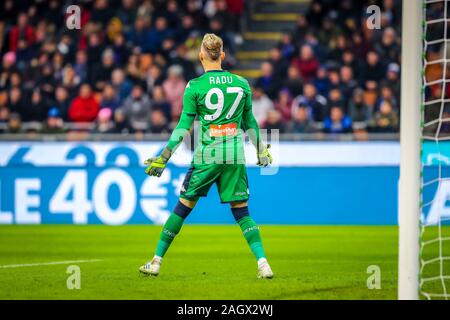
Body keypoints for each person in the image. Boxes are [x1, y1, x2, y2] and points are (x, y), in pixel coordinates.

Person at [139, 33, 274, 279]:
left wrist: (164, 156)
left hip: (208, 155)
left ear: (201, 55)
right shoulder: (242, 84)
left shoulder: (195, 86)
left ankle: (156, 261)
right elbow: (250, 123)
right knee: (242, 210)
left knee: (183, 207)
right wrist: (261, 149)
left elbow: (183, 127)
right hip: (234, 153)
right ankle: (263, 263)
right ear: (222, 55)